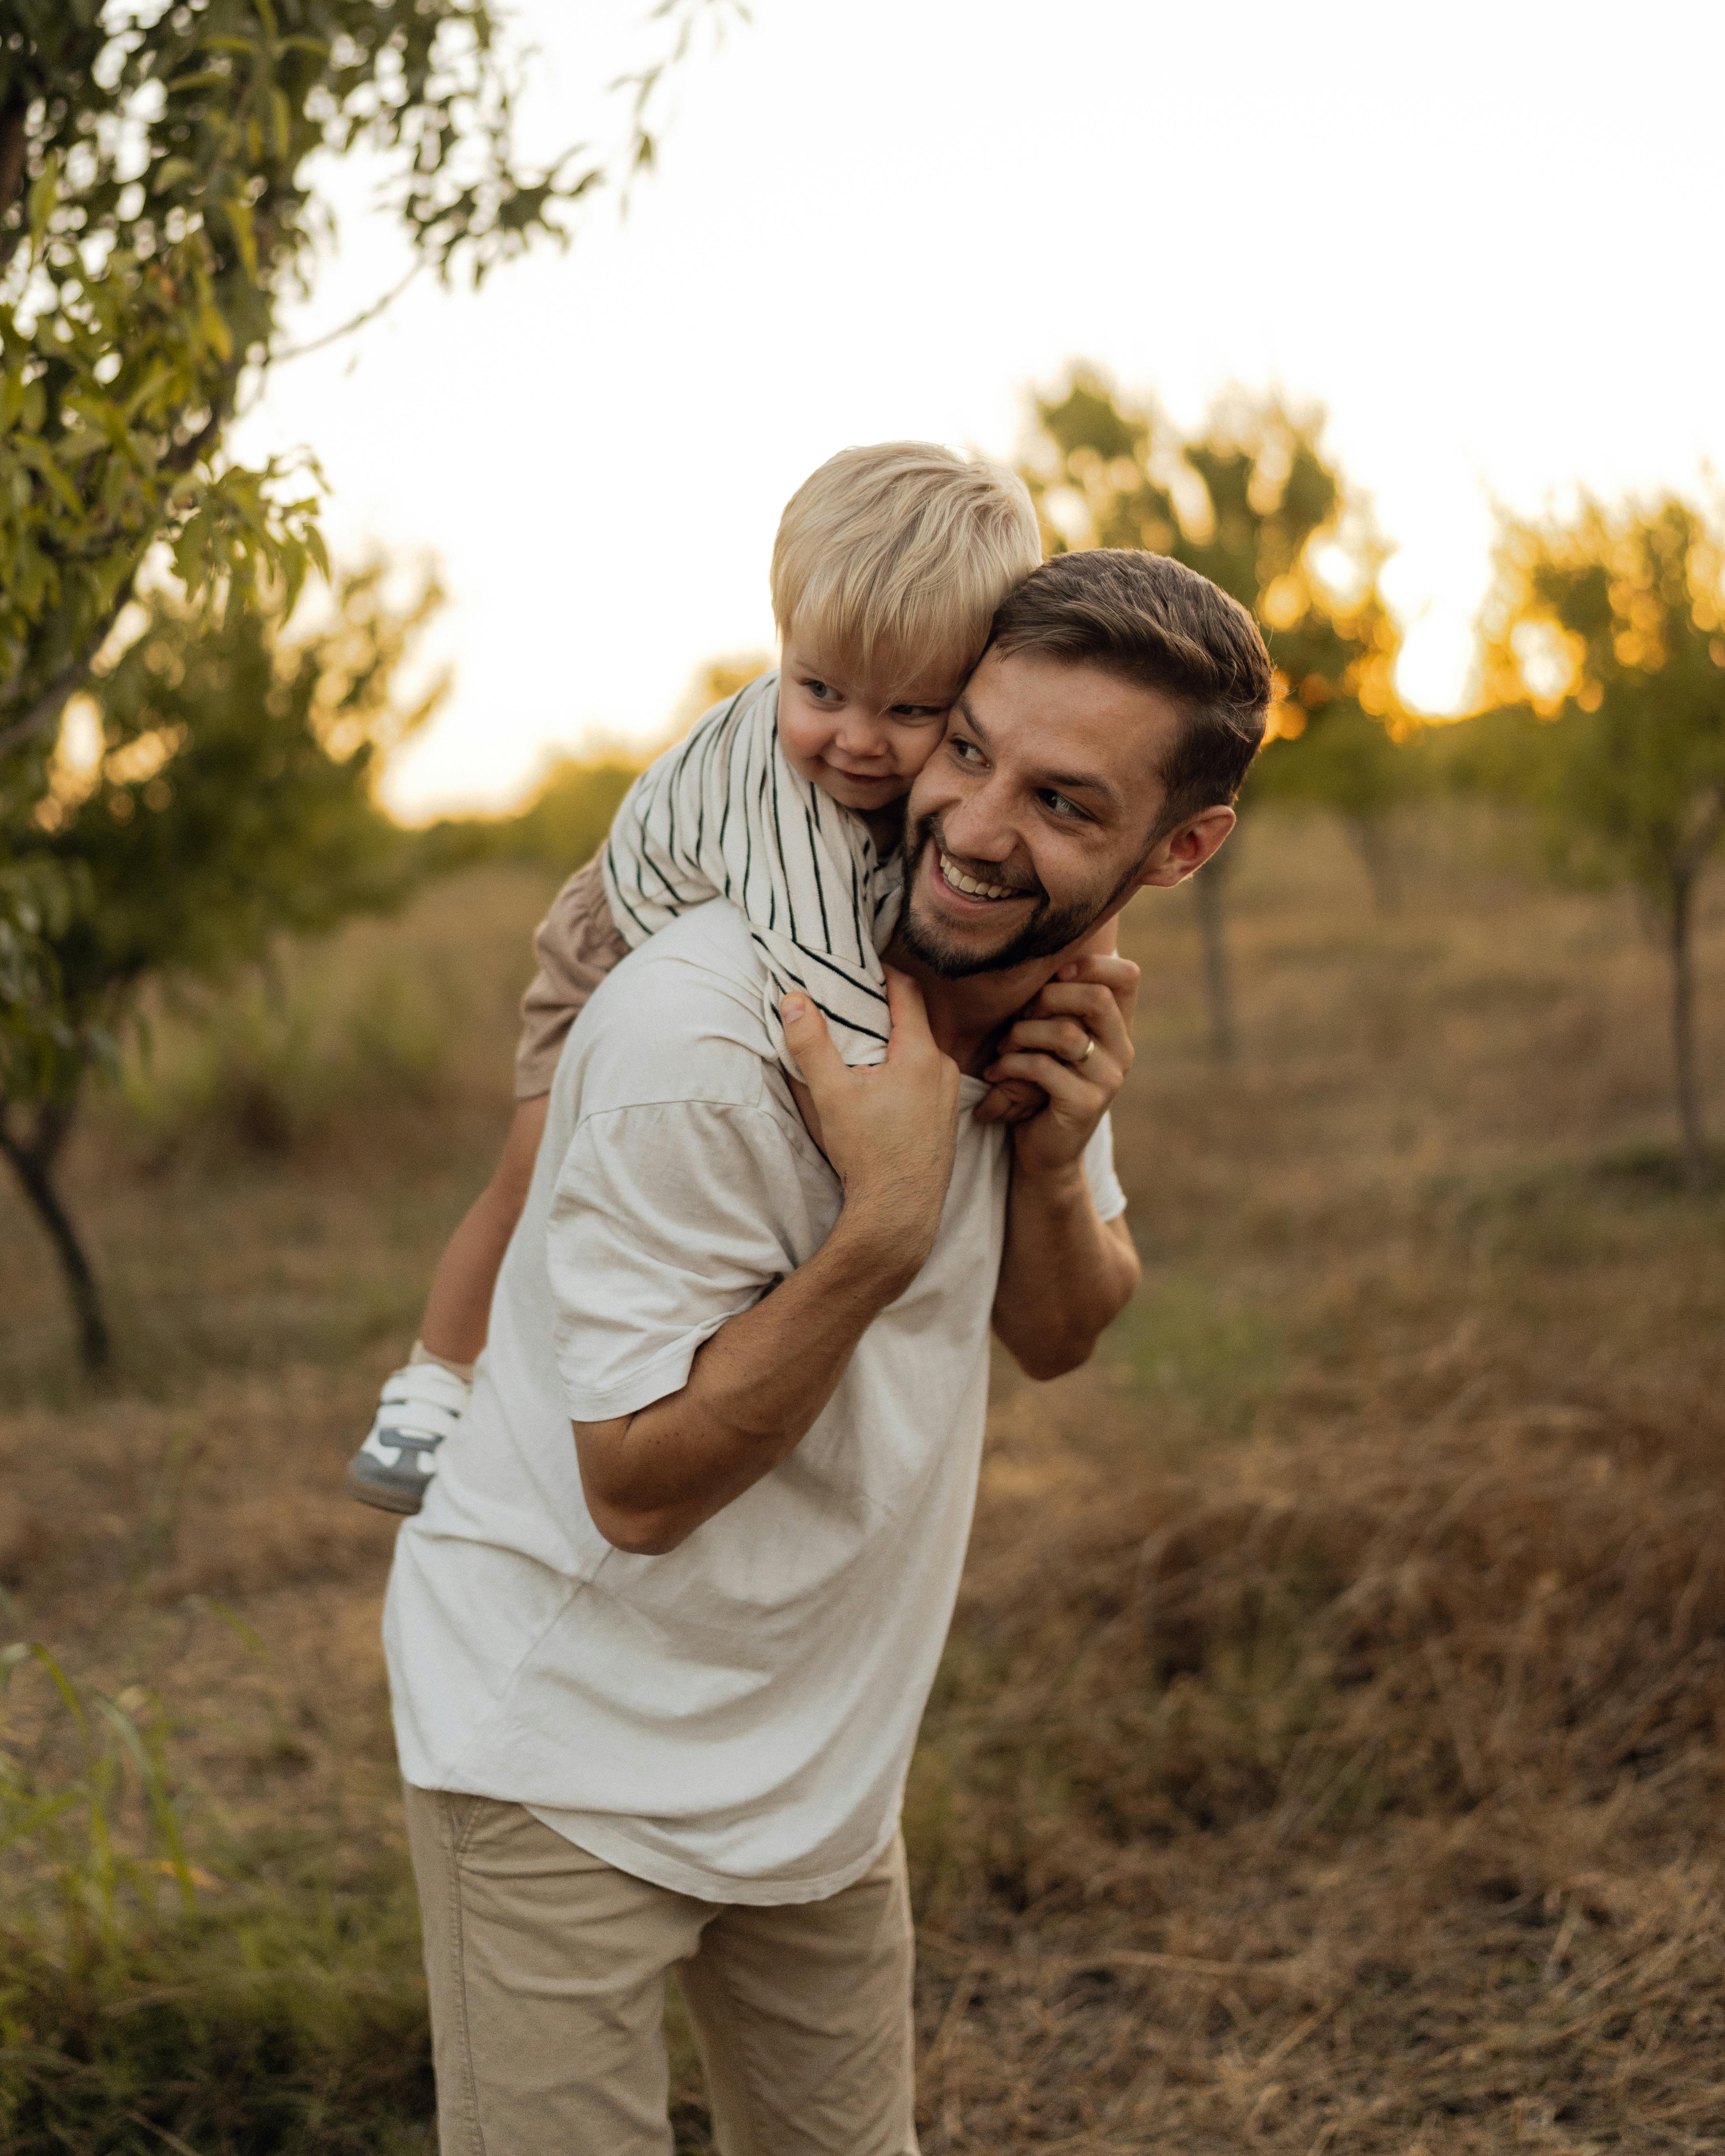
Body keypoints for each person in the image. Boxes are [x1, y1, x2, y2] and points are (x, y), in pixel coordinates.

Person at [382, 545, 1275, 2153]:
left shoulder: (1041, 991)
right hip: (560, 1752)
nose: (975, 824)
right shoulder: (696, 1038)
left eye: (1064, 804)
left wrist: (1056, 1169)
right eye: (968, 749)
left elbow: (1062, 1333)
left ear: (1181, 844)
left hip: (823, 1766)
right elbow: (639, 1491)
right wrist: (881, 1227)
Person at [348, 440, 1054, 1514]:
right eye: (820, 689)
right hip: (608, 943)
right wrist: (928, 1117)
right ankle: (431, 1384)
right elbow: (837, 1005)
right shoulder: (783, 803)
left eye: (910, 712)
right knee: (529, 1174)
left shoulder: (902, 778)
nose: (857, 740)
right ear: (784, 644)